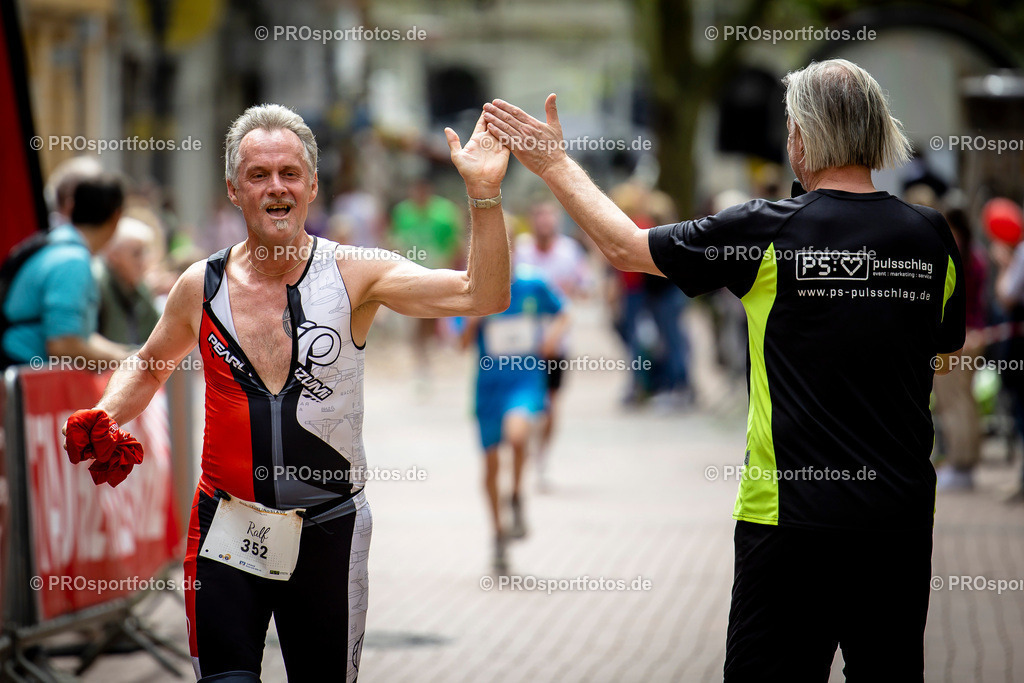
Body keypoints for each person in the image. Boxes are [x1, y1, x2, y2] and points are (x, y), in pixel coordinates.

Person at [484, 58, 965, 682]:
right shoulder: (930, 237)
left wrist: (552, 165)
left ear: (801, 136)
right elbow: (945, 351)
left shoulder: (766, 232)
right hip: (897, 522)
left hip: (788, 522)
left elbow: (627, 247)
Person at [63, 103, 510, 682]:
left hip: (330, 529)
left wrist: (483, 193)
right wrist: (103, 415)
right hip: (225, 527)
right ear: (233, 189)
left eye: (290, 173)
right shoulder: (202, 285)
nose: (277, 187)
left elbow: (484, 294)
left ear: (313, 185)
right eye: (259, 175)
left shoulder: (358, 275)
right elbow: (149, 366)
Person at [463, 222, 568, 571]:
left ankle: (518, 495)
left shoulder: (531, 284)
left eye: (503, 252)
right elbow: (459, 344)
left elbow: (563, 312)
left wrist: (552, 336)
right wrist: (474, 319)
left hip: (525, 379)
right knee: (491, 464)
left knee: (519, 435)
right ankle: (497, 535)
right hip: (488, 386)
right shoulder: (470, 291)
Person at [3, 174, 133, 365]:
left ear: (72, 206)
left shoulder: (58, 244)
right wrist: (125, 362)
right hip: (21, 373)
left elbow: (81, 335)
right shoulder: (73, 262)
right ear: (117, 216)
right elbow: (62, 346)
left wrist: (130, 356)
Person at [514, 200, 589, 487]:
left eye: (550, 222)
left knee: (551, 403)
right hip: (524, 342)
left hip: (557, 343)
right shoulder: (521, 252)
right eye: (540, 221)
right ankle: (523, 448)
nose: (545, 227)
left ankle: (542, 457)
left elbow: (586, 286)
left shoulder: (569, 252)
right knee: (528, 401)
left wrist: (574, 290)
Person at [390, 176, 466, 388]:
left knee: (429, 322)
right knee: (416, 323)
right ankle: (423, 365)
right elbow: (395, 241)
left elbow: (456, 245)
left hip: (437, 276)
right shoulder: (402, 213)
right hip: (409, 277)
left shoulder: (445, 213)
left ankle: (428, 362)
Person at [932, 205, 987, 490]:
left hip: (960, 339)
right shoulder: (975, 256)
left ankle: (960, 463)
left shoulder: (957, 257)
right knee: (965, 402)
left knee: (954, 403)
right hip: (974, 336)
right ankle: (964, 462)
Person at [94, 216, 161, 345]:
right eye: (136, 254)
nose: (144, 261)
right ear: (113, 256)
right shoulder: (96, 283)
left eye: (145, 253)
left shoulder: (141, 288)